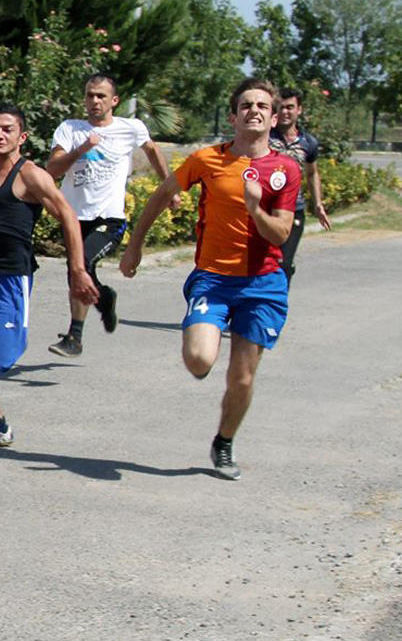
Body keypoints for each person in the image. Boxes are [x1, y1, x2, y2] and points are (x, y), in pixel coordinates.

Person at [119, 78, 300, 480]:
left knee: (242, 377)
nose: (255, 110)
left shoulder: (285, 169)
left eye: (263, 106)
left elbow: (281, 235)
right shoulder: (206, 159)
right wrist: (135, 245)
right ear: (234, 115)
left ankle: (224, 441)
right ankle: (204, 358)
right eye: (247, 105)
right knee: (199, 359)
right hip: (213, 279)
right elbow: (162, 194)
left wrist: (255, 207)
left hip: (263, 284)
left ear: (273, 118)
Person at [0, 105, 98, 448]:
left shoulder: (31, 176)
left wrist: (78, 269)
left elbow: (68, 216)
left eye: (7, 130)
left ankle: (10, 338)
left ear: (21, 137)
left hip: (10, 281)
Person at [45, 73, 177, 356]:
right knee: (75, 273)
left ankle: (74, 336)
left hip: (109, 218)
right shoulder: (70, 129)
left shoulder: (131, 128)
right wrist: (82, 149)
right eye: (90, 95)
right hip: (73, 218)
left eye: (101, 96)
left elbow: (153, 152)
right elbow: (52, 170)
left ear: (114, 101)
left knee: (84, 264)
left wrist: (170, 189)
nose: (94, 100)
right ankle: (104, 299)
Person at [269, 87, 332, 282]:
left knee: (283, 263)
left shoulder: (308, 142)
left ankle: (277, 306)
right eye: (280, 107)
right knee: (263, 262)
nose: (285, 112)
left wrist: (318, 204)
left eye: (290, 107)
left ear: (299, 110)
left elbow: (312, 173)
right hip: (265, 208)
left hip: (293, 209)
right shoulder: (265, 137)